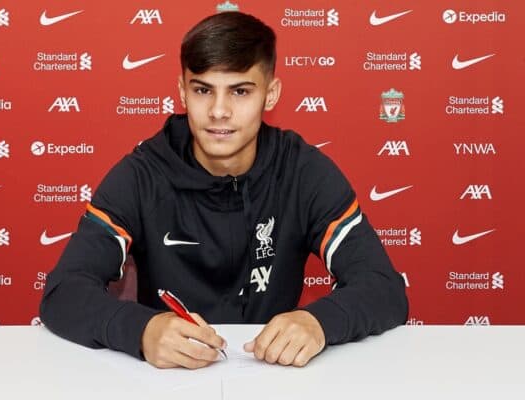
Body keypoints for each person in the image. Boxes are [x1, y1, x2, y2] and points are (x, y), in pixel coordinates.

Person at [40, 11, 408, 369]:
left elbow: (383, 286)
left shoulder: (303, 171)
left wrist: (319, 322)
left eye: (240, 91)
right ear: (182, 92)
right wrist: (142, 330)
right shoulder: (142, 174)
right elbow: (64, 292)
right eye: (203, 89)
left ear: (271, 94)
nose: (219, 111)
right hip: (166, 380)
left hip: (274, 374)